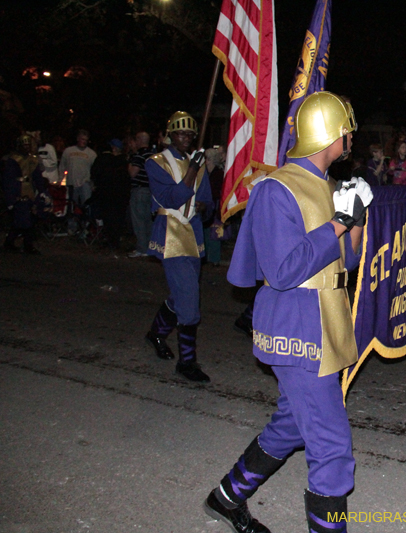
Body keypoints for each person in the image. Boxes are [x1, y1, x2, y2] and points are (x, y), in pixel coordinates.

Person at [204, 91, 371, 533]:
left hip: (327, 323)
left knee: (294, 426)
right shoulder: (277, 189)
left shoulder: (328, 186)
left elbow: (346, 264)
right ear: (334, 133)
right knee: (332, 448)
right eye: (347, 128)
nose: (352, 136)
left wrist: (356, 222)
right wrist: (337, 223)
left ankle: (226, 497)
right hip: (298, 328)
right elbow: (282, 270)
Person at [143, 111, 214, 382]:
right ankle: (187, 362)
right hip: (171, 235)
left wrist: (205, 207)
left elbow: (206, 200)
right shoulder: (156, 162)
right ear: (170, 135)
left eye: (189, 134)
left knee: (182, 293)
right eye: (180, 133)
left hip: (193, 235)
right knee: (189, 299)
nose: (185, 138)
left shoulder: (198, 162)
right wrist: (193, 170)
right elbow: (171, 198)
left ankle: (156, 334)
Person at [3, 135, 48, 254]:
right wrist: (10, 199)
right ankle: (24, 245)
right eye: (24, 145)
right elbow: (8, 180)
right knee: (22, 220)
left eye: (28, 145)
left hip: (30, 192)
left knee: (29, 219)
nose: (26, 147)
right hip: (18, 193)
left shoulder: (33, 160)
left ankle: (13, 243)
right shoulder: (13, 160)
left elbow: (37, 177)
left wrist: (42, 191)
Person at [90, 139, 130, 250]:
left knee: (109, 218)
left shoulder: (105, 160)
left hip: (108, 194)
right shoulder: (124, 161)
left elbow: (95, 174)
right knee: (117, 218)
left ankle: (111, 241)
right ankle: (115, 241)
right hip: (119, 195)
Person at [128, 131, 154, 258]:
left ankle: (141, 247)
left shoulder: (139, 155)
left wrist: (130, 162)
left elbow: (133, 173)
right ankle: (149, 246)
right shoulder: (153, 154)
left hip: (139, 190)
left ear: (139, 140)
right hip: (151, 190)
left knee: (138, 220)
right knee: (148, 220)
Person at [60, 129, 97, 210]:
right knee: (71, 206)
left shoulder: (92, 154)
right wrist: (60, 181)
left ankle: (86, 221)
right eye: (82, 139)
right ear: (78, 139)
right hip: (71, 183)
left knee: (87, 206)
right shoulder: (68, 151)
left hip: (85, 184)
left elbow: (95, 170)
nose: (84, 142)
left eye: (86, 140)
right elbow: (62, 167)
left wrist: (93, 184)